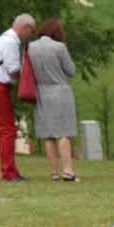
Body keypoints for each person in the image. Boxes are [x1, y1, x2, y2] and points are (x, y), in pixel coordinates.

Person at [0, 13, 34, 182]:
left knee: (5, 131)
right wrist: (29, 78)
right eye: (31, 31)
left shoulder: (1, 38)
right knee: (7, 131)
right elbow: (13, 70)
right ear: (26, 28)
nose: (29, 36)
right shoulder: (10, 42)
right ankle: (8, 173)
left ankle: (11, 171)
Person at [27, 18, 80, 182]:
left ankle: (54, 172)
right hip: (60, 91)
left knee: (48, 133)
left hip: (41, 92)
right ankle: (68, 170)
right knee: (63, 131)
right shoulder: (59, 47)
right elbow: (70, 70)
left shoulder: (31, 47)